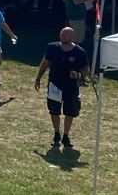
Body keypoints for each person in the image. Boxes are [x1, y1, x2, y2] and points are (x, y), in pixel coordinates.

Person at [34, 24, 89, 152]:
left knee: (70, 112)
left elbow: (86, 71)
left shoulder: (80, 52)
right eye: (61, 34)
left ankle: (66, 135)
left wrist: (79, 75)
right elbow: (45, 63)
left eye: (65, 34)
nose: (62, 36)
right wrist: (38, 78)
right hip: (55, 84)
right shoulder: (52, 47)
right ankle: (56, 134)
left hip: (71, 87)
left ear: (71, 37)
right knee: (54, 111)